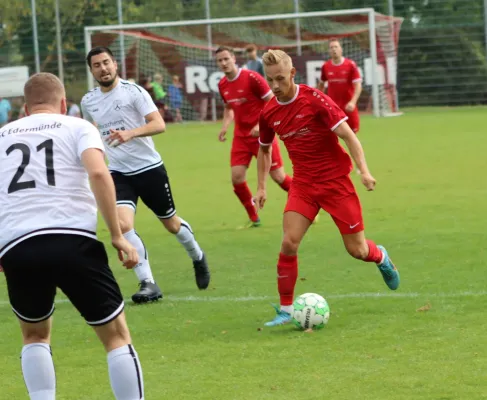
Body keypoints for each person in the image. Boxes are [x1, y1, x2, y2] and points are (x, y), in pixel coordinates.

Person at [0, 72, 145, 399]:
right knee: (116, 337)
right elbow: (97, 172)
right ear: (64, 103)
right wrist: (118, 235)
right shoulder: (78, 126)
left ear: (24, 109)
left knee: (35, 335)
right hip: (72, 241)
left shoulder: (2, 135)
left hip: (18, 246)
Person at [254, 50, 400, 327]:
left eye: (280, 79)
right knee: (288, 242)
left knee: (357, 250)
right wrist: (261, 187)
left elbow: (347, 135)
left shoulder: (314, 100)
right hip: (304, 185)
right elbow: (263, 150)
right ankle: (286, 309)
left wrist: (364, 171)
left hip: (335, 184)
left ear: (293, 74)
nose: (275, 86)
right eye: (270, 79)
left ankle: (380, 256)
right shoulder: (269, 111)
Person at [81, 46, 210, 303]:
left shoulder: (134, 92)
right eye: (97, 65)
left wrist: (130, 133)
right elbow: (91, 131)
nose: (103, 68)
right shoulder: (88, 101)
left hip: (149, 169)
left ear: (115, 64)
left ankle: (197, 256)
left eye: (106, 62)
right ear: (92, 70)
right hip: (118, 173)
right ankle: (148, 283)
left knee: (171, 224)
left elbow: (158, 124)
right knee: (123, 225)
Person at [216, 46, 292, 228]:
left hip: (263, 136)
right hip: (241, 137)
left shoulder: (252, 78)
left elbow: (272, 101)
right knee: (237, 178)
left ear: (234, 59)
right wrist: (225, 126)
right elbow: (229, 108)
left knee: (279, 177)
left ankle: (309, 201)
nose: (224, 63)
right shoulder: (222, 85)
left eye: (226, 58)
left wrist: (261, 125)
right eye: (220, 60)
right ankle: (254, 217)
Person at [318, 38, 362, 134]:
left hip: (348, 106)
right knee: (331, 134)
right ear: (329, 51)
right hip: (333, 107)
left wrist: (353, 102)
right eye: (331, 47)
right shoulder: (325, 66)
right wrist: (320, 102)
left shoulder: (350, 65)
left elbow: (358, 85)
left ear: (341, 49)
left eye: (336, 47)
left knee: (353, 133)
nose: (334, 49)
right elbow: (321, 85)